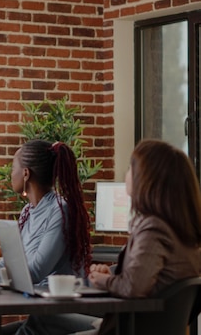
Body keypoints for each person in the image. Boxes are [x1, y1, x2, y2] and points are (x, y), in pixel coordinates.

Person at [86, 139, 201, 334]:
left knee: (40, 322)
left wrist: (101, 280)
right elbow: (149, 280)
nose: (127, 174)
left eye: (131, 168)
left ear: (148, 178)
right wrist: (114, 277)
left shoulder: (154, 229)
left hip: (130, 329)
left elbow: (133, 287)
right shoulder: (181, 231)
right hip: (142, 327)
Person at [0, 139, 93, 335]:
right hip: (42, 311)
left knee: (34, 323)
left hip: (62, 310)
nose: (10, 173)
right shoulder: (28, 211)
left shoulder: (61, 211)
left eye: (13, 167)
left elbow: (33, 272)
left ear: (26, 173)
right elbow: (13, 263)